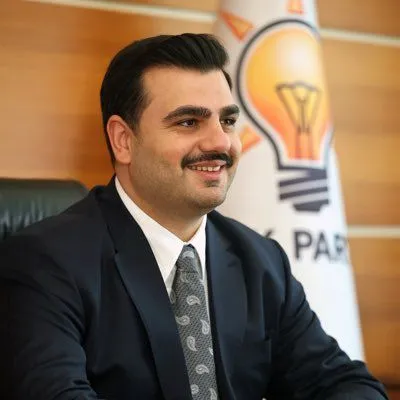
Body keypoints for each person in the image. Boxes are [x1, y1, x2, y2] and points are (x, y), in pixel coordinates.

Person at [0, 33, 387, 400]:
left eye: (228, 121)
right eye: (188, 122)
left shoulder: (261, 261)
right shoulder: (44, 264)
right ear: (123, 140)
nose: (221, 142)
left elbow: (345, 384)